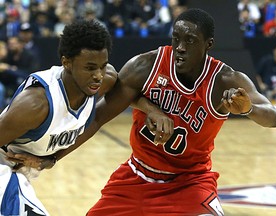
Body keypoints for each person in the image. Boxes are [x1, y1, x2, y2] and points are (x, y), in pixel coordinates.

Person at [8, 8, 276, 216]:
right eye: (176, 39)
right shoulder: (145, 66)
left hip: (190, 182)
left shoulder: (224, 79)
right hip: (137, 176)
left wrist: (247, 109)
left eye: (190, 40)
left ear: (208, 44)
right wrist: (55, 157)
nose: (181, 47)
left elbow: (273, 117)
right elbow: (100, 116)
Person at [0, 19, 171, 216]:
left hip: (20, 174)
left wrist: (152, 110)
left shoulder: (104, 80)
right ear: (67, 63)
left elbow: (103, 113)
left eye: (102, 65)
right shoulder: (37, 104)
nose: (98, 75)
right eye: (90, 68)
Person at [256, 43, 276, 111]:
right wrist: (261, 85)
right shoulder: (266, 60)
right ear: (275, 50)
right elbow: (257, 74)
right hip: (265, 91)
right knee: (261, 103)